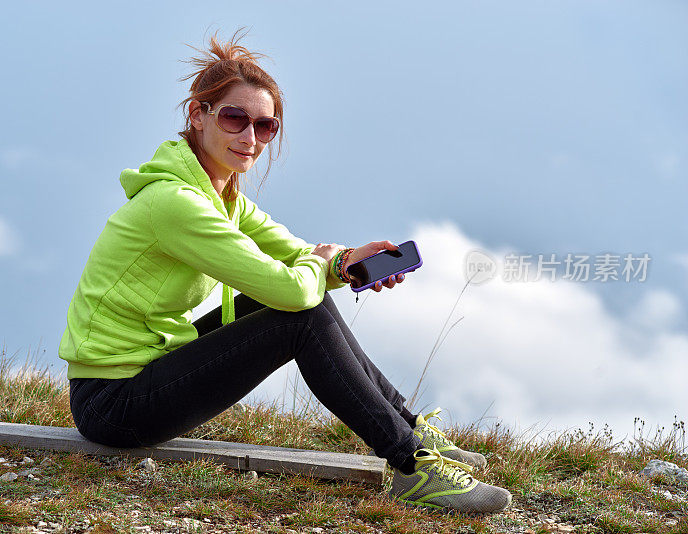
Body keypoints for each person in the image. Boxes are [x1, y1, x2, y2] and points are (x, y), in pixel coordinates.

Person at [59, 30, 511, 514]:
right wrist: (320, 265)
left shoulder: (222, 198)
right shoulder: (176, 204)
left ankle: (414, 432)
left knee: (308, 300)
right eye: (235, 118)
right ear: (198, 114)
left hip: (151, 369)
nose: (250, 138)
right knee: (299, 315)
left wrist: (344, 263)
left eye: (265, 126)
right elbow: (292, 289)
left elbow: (296, 253)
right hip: (113, 404)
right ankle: (412, 466)